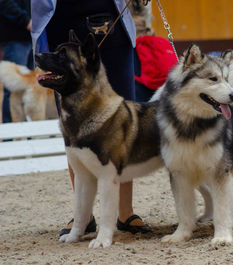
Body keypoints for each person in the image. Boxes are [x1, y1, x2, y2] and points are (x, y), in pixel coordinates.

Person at [31, 0, 152, 236]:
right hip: (60, 23)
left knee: (122, 122)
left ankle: (125, 212)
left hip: (112, 20)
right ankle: (83, 216)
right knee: (73, 125)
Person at [0, 0, 32, 123]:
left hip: (30, 38)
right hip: (15, 39)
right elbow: (5, 3)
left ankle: (26, 129)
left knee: (29, 87)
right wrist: (26, 21)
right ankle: (10, 130)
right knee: (12, 87)